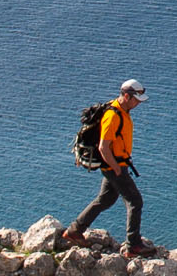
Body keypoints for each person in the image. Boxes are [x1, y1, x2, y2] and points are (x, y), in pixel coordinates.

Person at [62, 79, 158, 257]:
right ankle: (133, 245)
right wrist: (116, 168)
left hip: (116, 165)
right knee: (135, 201)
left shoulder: (122, 110)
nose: (138, 104)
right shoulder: (112, 116)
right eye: (136, 100)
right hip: (115, 166)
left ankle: (75, 230)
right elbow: (103, 147)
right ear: (126, 96)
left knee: (105, 199)